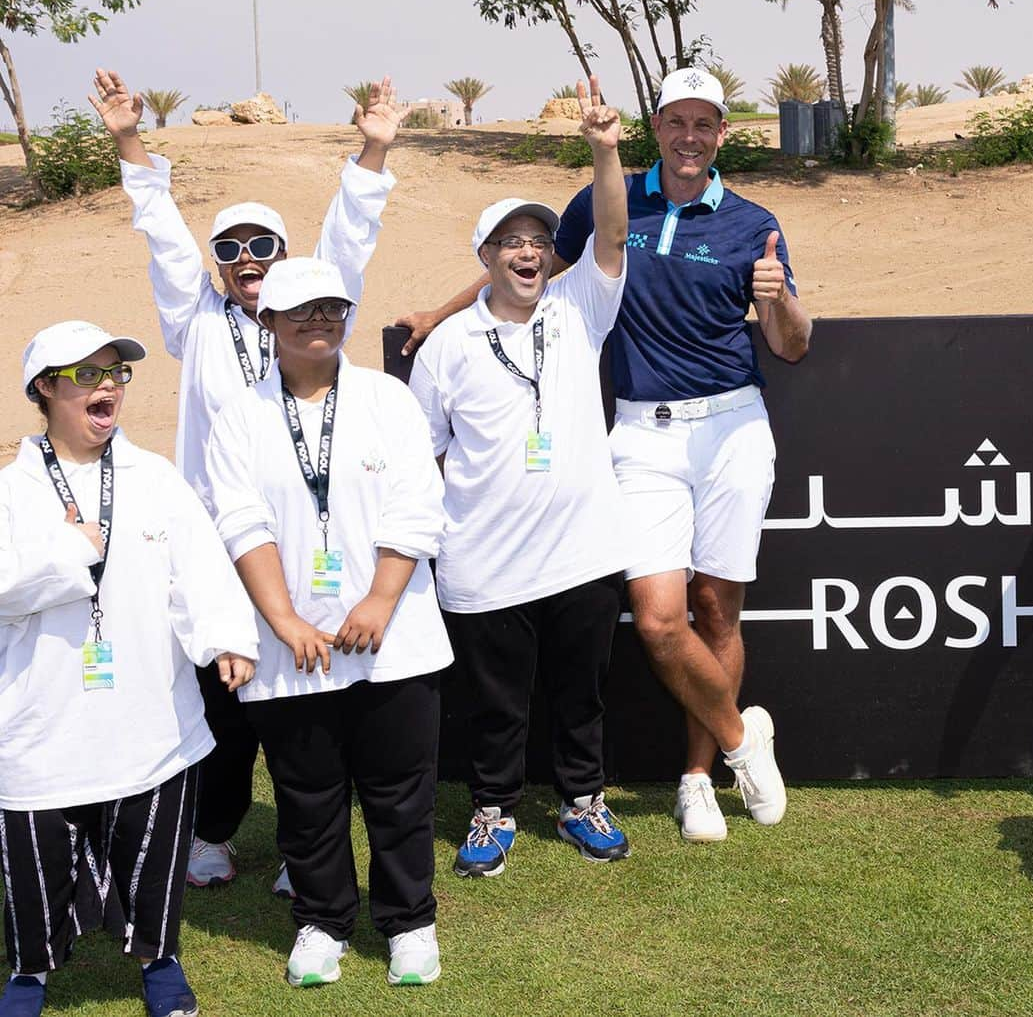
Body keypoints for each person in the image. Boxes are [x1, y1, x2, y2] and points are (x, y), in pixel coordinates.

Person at [397, 66, 811, 844]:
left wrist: (776, 297)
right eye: (676, 122)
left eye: (705, 124)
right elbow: (523, 270)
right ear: (657, 127)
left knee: (717, 607)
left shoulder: (754, 223)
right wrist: (437, 313)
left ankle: (696, 781)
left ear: (723, 134)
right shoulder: (603, 204)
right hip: (643, 431)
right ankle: (740, 738)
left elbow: (791, 347)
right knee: (658, 622)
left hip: (732, 425)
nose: (690, 137)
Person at [91, 68, 405, 894]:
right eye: (229, 249)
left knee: (312, 696)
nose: (246, 260)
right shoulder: (191, 320)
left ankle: (311, 847)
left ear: (285, 255)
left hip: (312, 537)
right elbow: (161, 232)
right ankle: (215, 832)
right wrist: (130, 139)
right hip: (213, 546)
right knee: (224, 698)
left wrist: (372, 146)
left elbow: (350, 237)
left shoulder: (315, 307)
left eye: (262, 245)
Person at [204, 258, 451, 990]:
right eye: (301, 310)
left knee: (400, 793)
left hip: (393, 641)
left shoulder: (385, 398)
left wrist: (378, 600)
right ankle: (322, 921)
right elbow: (240, 521)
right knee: (307, 795)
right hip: (293, 650)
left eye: (332, 308)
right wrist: (280, 618)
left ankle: (410, 922)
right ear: (267, 322)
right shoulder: (240, 415)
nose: (320, 320)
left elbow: (417, 505)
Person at [0, 320, 259, 1017]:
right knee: (35, 860)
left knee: (153, 849)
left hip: (148, 712)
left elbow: (199, 571)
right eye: (87, 374)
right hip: (40, 721)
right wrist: (65, 553)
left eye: (116, 372)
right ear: (45, 389)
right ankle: (30, 972)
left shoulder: (156, 478)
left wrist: (227, 637)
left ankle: (159, 960)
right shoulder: (11, 492)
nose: (108, 384)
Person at [407, 76, 631, 877]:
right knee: (495, 707)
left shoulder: (579, 309)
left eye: (538, 238)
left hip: (583, 553)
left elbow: (610, 233)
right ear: (486, 258)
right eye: (511, 241)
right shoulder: (446, 346)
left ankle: (582, 803)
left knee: (582, 696)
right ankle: (493, 812)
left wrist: (605, 151)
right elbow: (427, 450)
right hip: (485, 560)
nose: (528, 250)